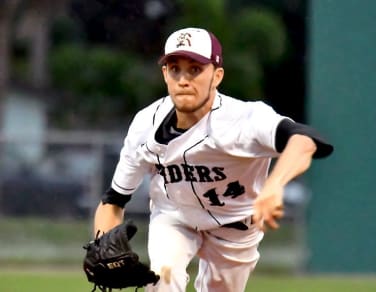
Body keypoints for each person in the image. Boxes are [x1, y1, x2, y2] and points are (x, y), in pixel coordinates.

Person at [92, 27, 333, 292]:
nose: (183, 79)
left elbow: (306, 140)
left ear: (216, 76)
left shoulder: (245, 120)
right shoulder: (145, 124)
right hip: (175, 217)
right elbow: (113, 199)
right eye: (175, 69)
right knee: (163, 279)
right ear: (165, 75)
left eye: (195, 69)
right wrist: (103, 245)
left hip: (235, 226)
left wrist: (274, 185)